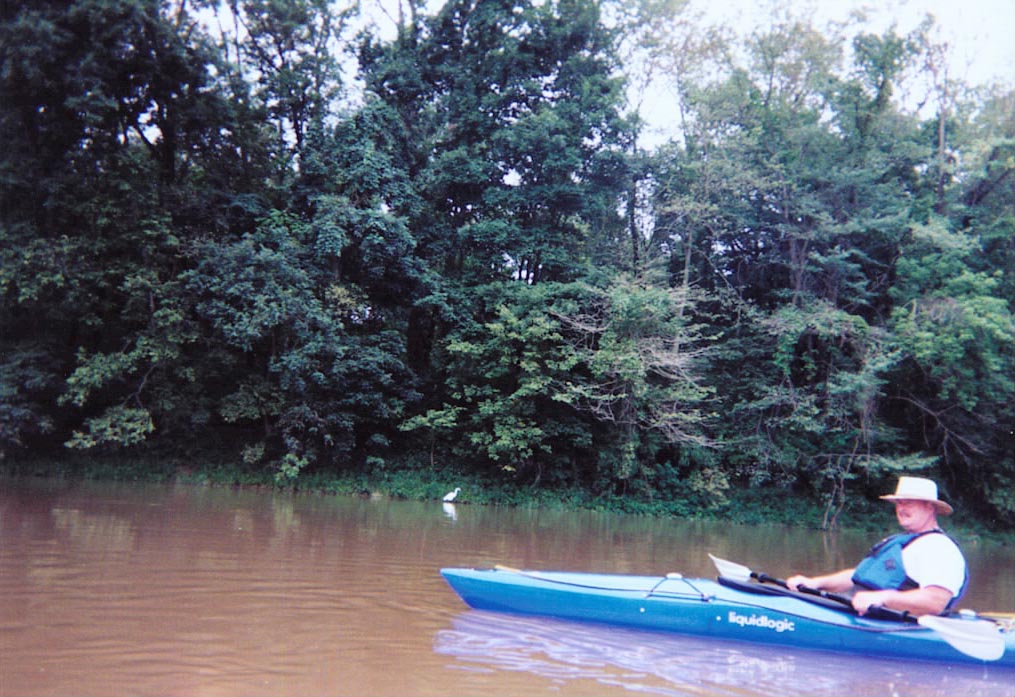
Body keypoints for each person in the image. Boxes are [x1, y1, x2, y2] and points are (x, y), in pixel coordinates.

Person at [786, 476, 967, 617]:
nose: (901, 508)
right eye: (899, 503)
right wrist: (815, 583)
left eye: (909, 503)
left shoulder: (939, 548)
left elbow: (935, 601)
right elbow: (860, 576)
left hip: (897, 625)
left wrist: (882, 597)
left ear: (930, 508)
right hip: (866, 616)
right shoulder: (907, 541)